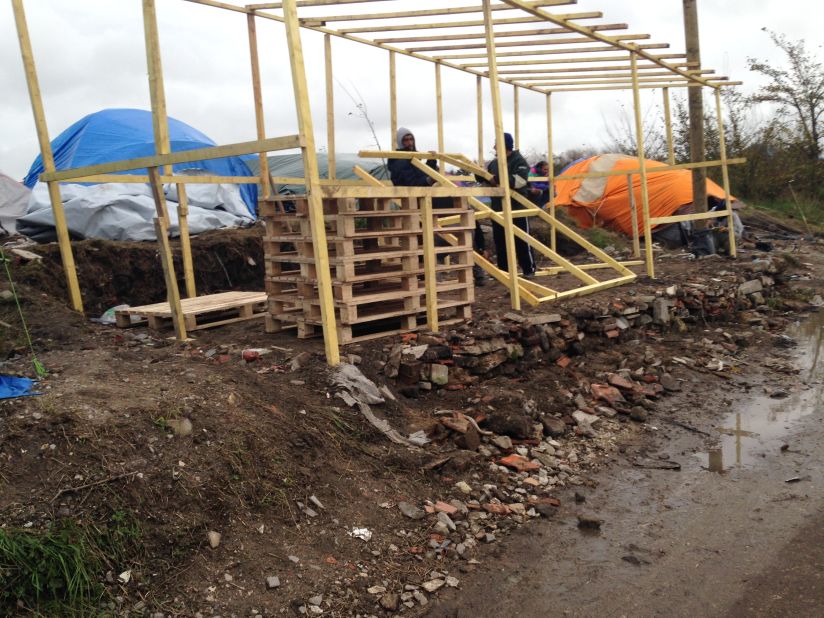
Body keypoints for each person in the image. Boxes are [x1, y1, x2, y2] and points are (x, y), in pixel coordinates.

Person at [388, 127, 487, 286]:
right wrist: (427, 181)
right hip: (416, 204)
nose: (409, 143)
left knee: (464, 224)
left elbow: (423, 176)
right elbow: (411, 183)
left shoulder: (414, 159)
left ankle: (476, 271)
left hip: (427, 200)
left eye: (411, 139)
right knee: (428, 244)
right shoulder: (399, 162)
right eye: (406, 140)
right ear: (400, 143)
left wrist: (431, 162)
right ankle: (428, 280)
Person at [477, 132, 536, 278]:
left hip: (517, 208)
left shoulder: (519, 161)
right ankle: (504, 272)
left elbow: (518, 182)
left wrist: (496, 179)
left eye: (497, 143)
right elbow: (488, 180)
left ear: (504, 145)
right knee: (501, 242)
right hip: (498, 209)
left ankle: (529, 269)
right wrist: (480, 175)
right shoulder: (494, 163)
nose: (494, 146)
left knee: (521, 240)